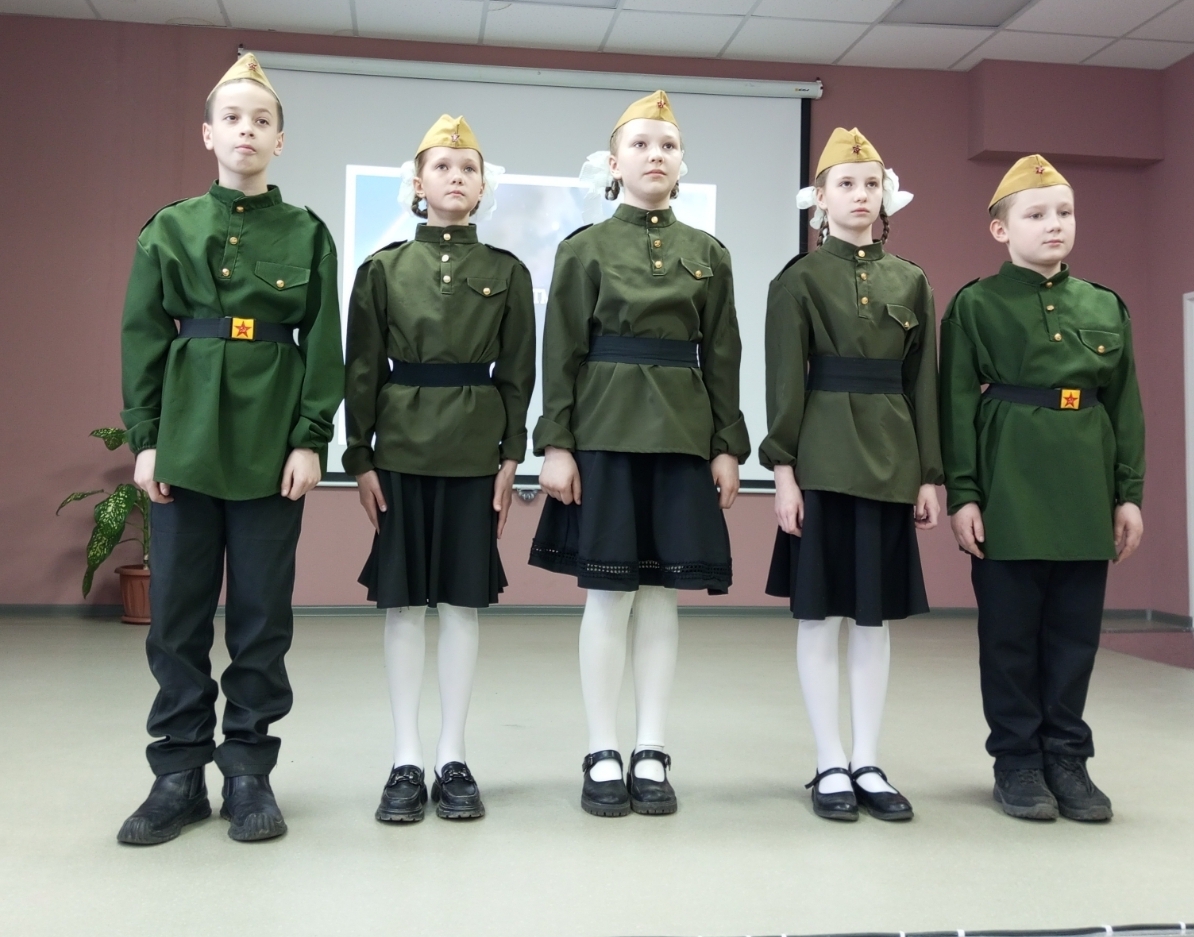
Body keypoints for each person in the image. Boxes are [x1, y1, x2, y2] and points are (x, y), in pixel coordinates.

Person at [117, 53, 344, 844]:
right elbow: (143, 339)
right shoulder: (169, 228)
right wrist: (147, 440)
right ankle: (177, 774)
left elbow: (323, 344)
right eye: (233, 117)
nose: (247, 130)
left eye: (262, 119)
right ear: (208, 133)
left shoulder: (307, 233)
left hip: (269, 448)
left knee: (260, 618)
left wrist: (310, 440)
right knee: (176, 618)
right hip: (182, 444)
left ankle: (249, 769)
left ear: (280, 140)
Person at [530, 91, 749, 818]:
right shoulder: (584, 248)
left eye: (669, 145)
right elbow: (561, 351)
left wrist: (727, 444)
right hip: (605, 434)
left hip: (683, 439)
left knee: (661, 596)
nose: (656, 155)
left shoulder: (708, 254)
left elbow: (723, 357)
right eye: (642, 144)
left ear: (682, 164)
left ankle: (651, 747)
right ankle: (602, 748)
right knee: (608, 594)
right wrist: (556, 443)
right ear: (614, 162)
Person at [939, 154, 1145, 822]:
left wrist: (1129, 494)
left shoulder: (1105, 305)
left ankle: (1068, 758)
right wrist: (965, 494)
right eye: (1036, 214)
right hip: (1009, 486)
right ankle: (1017, 761)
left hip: (1085, 489)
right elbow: (956, 406)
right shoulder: (975, 305)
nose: (1054, 224)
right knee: (1008, 637)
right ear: (1001, 229)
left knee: (1074, 636)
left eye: (1064, 212)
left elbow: (1126, 407)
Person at [344, 115, 534, 823]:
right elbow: (362, 371)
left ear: (484, 187)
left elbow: (518, 375)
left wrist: (510, 456)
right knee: (402, 604)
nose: (457, 177)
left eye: (469, 168)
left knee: (460, 602)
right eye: (443, 167)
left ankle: (453, 758)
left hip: (474, 452)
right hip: (399, 449)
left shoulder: (507, 272)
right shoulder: (383, 269)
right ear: (417, 184)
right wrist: (359, 456)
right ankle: (405, 759)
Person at [761, 128, 940, 822]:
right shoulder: (798, 280)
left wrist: (928, 474)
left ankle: (867, 758)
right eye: (846, 184)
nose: (860, 195)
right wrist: (784, 473)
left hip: (891, 465)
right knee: (819, 616)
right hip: (822, 464)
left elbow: (922, 384)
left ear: (886, 196)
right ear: (821, 201)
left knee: (873, 619)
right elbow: (785, 383)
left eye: (871, 184)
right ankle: (829, 759)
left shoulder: (912, 281)